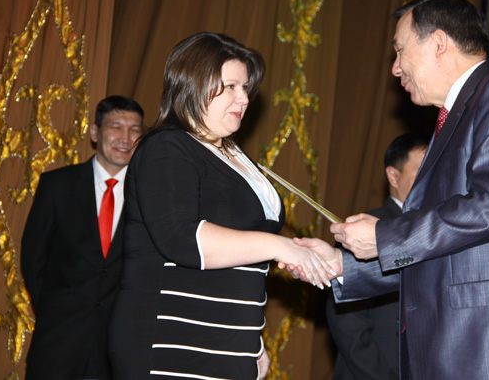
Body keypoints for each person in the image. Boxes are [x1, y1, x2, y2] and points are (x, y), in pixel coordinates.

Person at [286, 0, 489, 379]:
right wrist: (341, 266)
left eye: (399, 50)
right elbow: (440, 251)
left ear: (439, 43)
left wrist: (385, 237)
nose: (395, 68)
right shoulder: (448, 123)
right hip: (454, 348)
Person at [107, 32, 335, 380]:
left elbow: (238, 260)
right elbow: (180, 237)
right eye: (230, 86)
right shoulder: (167, 146)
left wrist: (250, 338)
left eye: (245, 87)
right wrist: (280, 246)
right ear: (192, 84)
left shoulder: (234, 155)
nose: (243, 98)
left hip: (225, 338)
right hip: (171, 338)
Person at [20, 95, 145, 379]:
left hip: (117, 353)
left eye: (135, 130)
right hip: (58, 343)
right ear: (95, 132)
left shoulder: (149, 198)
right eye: (116, 127)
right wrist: (56, 311)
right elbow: (33, 258)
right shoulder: (57, 186)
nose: (125, 138)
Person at [326, 133, 428, 380]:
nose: (430, 179)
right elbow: (348, 323)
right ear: (393, 176)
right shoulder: (366, 231)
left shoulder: (435, 232)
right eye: (421, 171)